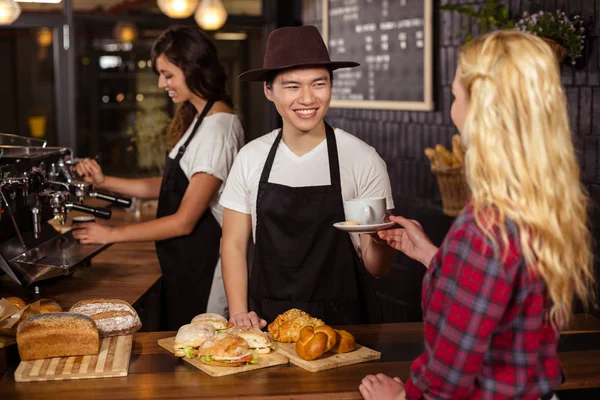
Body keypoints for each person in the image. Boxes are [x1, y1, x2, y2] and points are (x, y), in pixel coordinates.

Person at [359, 30, 595, 400]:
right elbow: (500, 295)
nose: (453, 109)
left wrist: (398, 398)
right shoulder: (542, 202)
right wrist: (430, 254)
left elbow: (447, 385)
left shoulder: (485, 229)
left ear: (481, 109)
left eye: (455, 96)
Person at [219, 25, 395, 329]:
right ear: (268, 90)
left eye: (318, 84)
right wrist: (238, 312)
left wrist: (381, 240)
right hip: (266, 323)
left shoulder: (362, 158)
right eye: (291, 86)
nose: (307, 98)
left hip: (344, 328)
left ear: (331, 86)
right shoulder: (250, 158)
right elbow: (233, 243)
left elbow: (377, 268)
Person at [73, 26, 244, 330]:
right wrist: (104, 181)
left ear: (192, 69)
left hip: (205, 266)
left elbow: (184, 220)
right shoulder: (200, 118)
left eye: (168, 74)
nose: (161, 83)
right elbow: (170, 185)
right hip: (185, 262)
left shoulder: (217, 130)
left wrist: (111, 235)